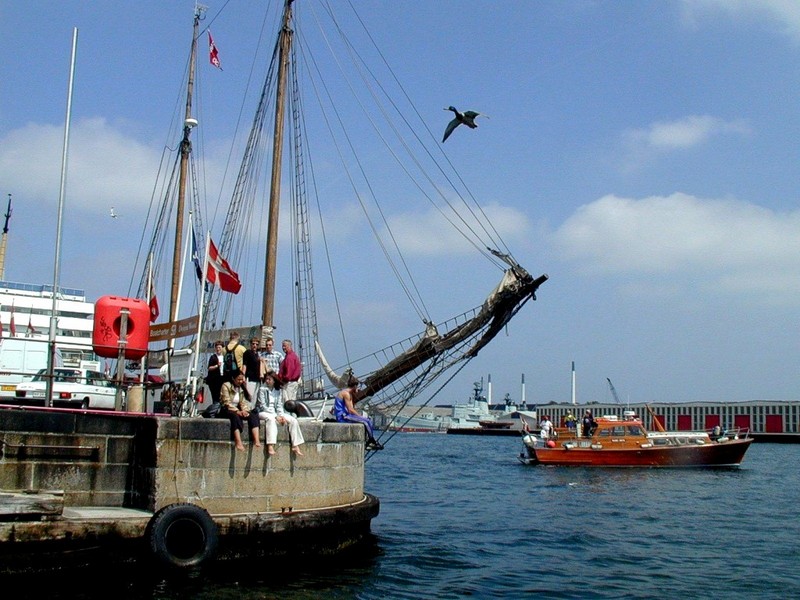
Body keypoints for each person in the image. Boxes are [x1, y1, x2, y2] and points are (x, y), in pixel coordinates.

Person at [256, 371, 304, 456]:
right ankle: (270, 445)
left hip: (275, 412)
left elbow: (279, 406)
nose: (267, 381)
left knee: (293, 420)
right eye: (266, 379)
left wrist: (281, 416)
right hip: (263, 412)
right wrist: (276, 416)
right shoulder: (262, 390)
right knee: (270, 419)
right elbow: (262, 406)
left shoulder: (277, 391)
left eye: (269, 379)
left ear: (274, 380)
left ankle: (295, 445)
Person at [333, 373, 382, 450]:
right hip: (343, 416)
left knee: (368, 420)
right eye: (357, 387)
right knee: (365, 421)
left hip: (346, 415)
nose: (358, 389)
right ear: (355, 386)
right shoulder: (346, 394)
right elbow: (350, 410)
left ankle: (370, 440)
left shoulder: (349, 394)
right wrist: (360, 417)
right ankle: (371, 441)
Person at [219, 372, 261, 451]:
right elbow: (226, 402)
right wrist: (238, 411)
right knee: (235, 417)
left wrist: (245, 411)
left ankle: (256, 439)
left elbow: (242, 402)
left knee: (253, 415)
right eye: (239, 379)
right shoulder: (226, 385)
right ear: (233, 379)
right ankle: (238, 441)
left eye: (242, 379)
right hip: (227, 409)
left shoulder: (241, 388)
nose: (241, 381)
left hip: (238, 409)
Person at [277, 339, 302, 405]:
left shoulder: (289, 357)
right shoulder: (292, 356)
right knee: (292, 401)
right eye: (282, 346)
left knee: (288, 403)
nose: (283, 348)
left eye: (285, 346)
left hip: (289, 383)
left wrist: (282, 380)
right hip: (292, 383)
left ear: (289, 346)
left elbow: (289, 373)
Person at [205, 340, 225, 404]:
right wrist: (216, 366)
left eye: (219, 347)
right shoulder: (213, 357)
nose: (218, 349)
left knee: (223, 396)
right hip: (214, 380)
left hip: (223, 378)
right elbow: (209, 368)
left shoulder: (225, 357)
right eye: (217, 347)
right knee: (215, 396)